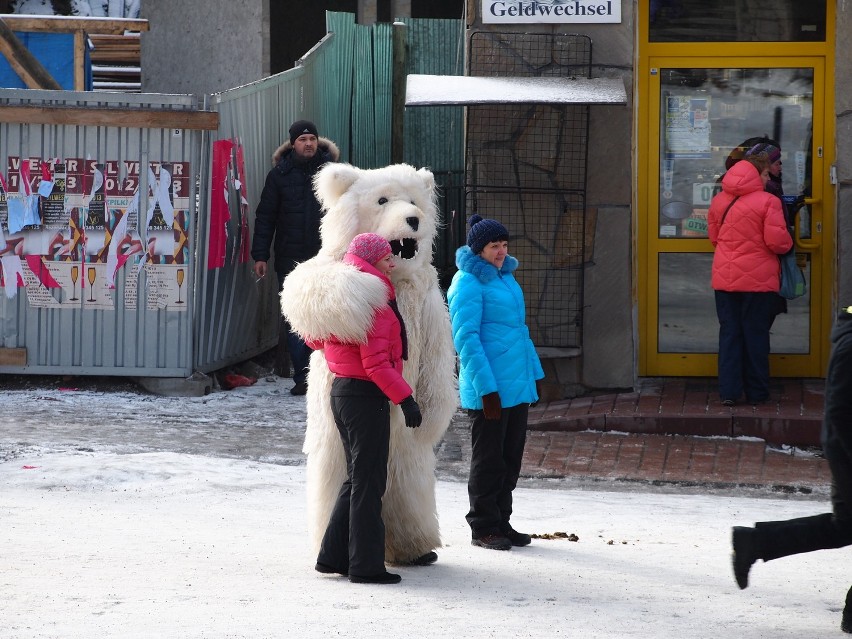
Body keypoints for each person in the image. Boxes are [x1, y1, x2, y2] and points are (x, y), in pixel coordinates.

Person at [307, 233, 422, 584]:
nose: (392, 262)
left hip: (343, 393)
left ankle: (333, 557)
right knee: (370, 482)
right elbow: (376, 365)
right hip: (364, 395)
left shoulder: (347, 295)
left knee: (358, 477)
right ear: (371, 261)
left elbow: (314, 339)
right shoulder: (371, 301)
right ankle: (366, 565)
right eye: (386, 257)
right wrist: (406, 399)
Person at [732, 306, 852, 633]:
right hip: (847, 451)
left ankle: (755, 541)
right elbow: (841, 412)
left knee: (846, 526)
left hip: (844, 448)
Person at [447, 215, 544, 551]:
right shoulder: (468, 282)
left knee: (509, 459)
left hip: (515, 384)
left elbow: (519, 331)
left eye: (504, 245)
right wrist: (486, 389)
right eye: (494, 246)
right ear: (479, 249)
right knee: (488, 461)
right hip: (490, 389)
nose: (501, 251)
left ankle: (502, 520)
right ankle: (483, 526)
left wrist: (533, 375)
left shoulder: (504, 278)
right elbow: (466, 339)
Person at [251, 119, 340, 395]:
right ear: (293, 144)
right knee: (295, 318)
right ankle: (303, 377)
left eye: (312, 139)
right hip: (289, 259)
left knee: (326, 316)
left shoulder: (333, 174)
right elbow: (265, 217)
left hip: (325, 258)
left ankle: (328, 374)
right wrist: (260, 255)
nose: (309, 144)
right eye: (303, 140)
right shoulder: (279, 175)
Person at [707, 151, 792, 406]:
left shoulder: (719, 200)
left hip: (725, 279)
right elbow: (777, 243)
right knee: (755, 335)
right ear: (756, 174)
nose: (768, 179)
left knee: (730, 334)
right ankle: (757, 392)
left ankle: (730, 392)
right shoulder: (768, 202)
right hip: (758, 281)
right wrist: (790, 241)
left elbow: (714, 238)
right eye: (765, 173)